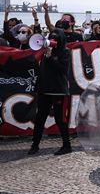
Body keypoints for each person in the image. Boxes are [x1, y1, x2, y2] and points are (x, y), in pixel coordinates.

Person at [28, 28, 72, 156]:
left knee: (60, 119)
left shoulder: (65, 52)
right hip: (44, 89)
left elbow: (63, 69)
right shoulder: (44, 51)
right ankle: (35, 145)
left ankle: (67, 145)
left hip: (58, 90)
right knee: (40, 117)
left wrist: (51, 57)